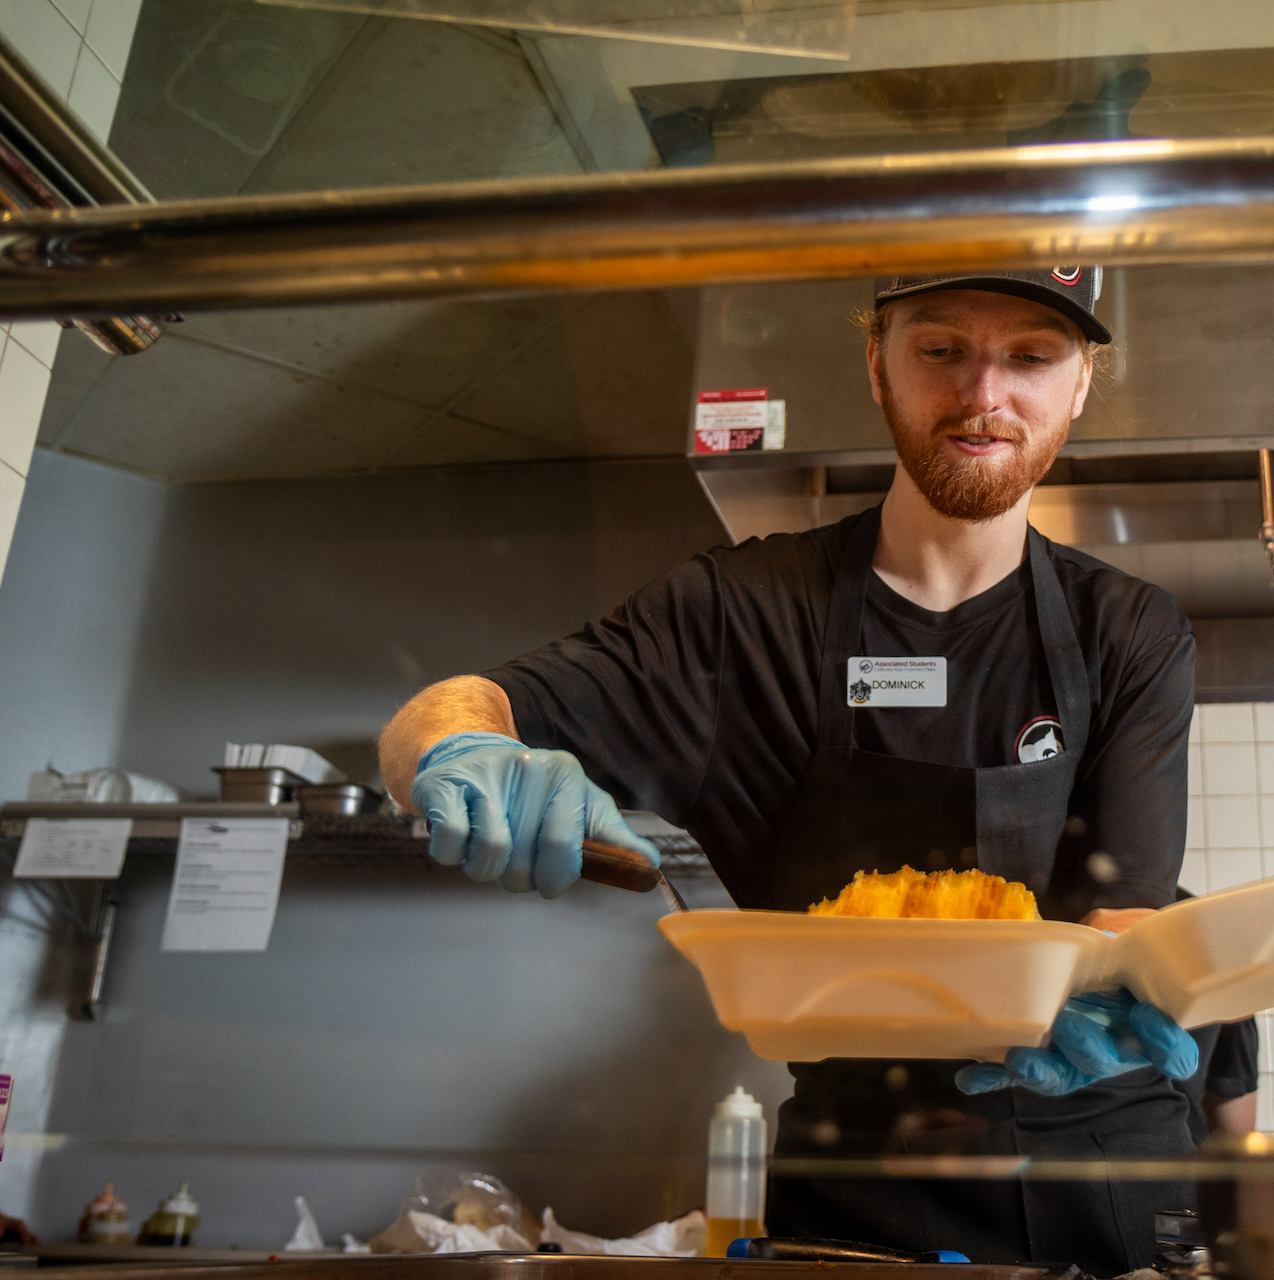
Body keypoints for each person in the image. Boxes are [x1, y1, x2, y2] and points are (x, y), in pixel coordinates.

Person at [379, 267, 1203, 1276]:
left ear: (1080, 384)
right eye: (940, 349)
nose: (984, 395)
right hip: (858, 1169)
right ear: (877, 365)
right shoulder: (743, 609)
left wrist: (1127, 979)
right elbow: (456, 703)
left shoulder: (1128, 628)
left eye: (1030, 357)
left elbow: (1128, 907)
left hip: (1100, 1159)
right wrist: (462, 750)